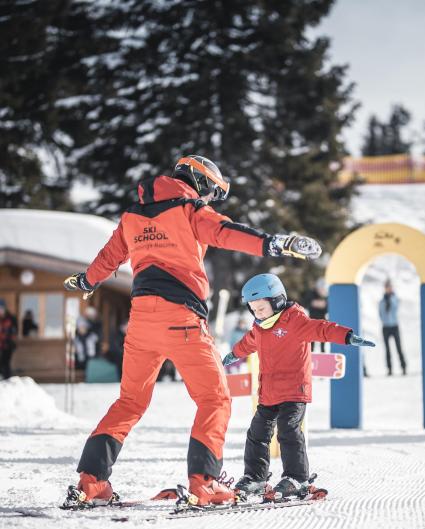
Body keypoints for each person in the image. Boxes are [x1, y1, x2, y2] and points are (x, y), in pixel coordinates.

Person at [63, 154, 322, 507]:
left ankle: (90, 482)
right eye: (213, 193)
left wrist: (85, 280)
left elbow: (109, 258)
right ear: (199, 181)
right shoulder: (189, 210)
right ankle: (205, 484)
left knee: (129, 402)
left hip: (141, 321)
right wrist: (277, 243)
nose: (210, 200)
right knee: (215, 399)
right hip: (182, 319)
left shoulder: (133, 216)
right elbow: (226, 233)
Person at [222, 273, 375, 499]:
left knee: (288, 431)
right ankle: (255, 477)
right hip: (269, 392)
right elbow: (248, 343)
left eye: (261, 308)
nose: (257, 313)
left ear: (277, 301)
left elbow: (322, 328)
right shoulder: (259, 327)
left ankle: (297, 478)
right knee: (257, 434)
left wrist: (347, 336)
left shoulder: (295, 321)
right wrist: (234, 354)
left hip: (294, 391)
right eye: (253, 309)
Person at [379, 279, 407, 376]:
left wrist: (390, 298)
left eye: (390, 287)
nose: (388, 289)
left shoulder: (395, 298)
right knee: (387, 350)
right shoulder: (382, 301)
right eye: (387, 287)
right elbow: (381, 314)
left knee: (399, 348)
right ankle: (389, 369)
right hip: (385, 327)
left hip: (394, 326)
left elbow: (396, 308)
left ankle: (404, 367)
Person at [302, 277, 329, 352]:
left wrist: (325, 305)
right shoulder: (311, 294)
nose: (322, 291)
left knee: (323, 339)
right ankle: (311, 353)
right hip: (312, 320)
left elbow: (330, 307)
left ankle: (323, 353)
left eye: (323, 289)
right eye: (320, 289)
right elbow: (305, 303)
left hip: (323, 321)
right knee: (312, 339)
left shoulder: (327, 297)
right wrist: (313, 303)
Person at [0, 298, 18, 380]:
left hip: (8, 345)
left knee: (5, 362)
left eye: (1, 308)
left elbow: (14, 332)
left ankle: (7, 379)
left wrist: (10, 341)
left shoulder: (10, 318)